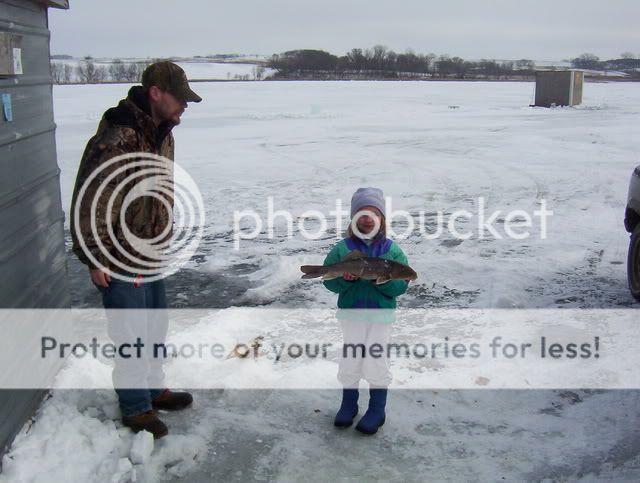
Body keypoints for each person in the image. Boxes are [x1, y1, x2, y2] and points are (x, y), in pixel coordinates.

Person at [69, 61, 202, 439]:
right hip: (118, 255)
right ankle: (135, 407)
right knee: (131, 335)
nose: (185, 106)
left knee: (155, 327)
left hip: (151, 251)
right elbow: (89, 200)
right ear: (156, 92)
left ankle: (152, 388)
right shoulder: (118, 137)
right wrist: (94, 256)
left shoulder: (162, 133)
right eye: (180, 98)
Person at [323, 187, 411, 435]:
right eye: (362, 213)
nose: (367, 218)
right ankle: (348, 405)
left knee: (375, 361)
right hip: (351, 315)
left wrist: (383, 280)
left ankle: (376, 410)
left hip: (381, 318)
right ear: (353, 218)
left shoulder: (392, 251)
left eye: (373, 213)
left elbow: (400, 287)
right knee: (350, 360)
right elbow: (330, 281)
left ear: (382, 219)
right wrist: (347, 280)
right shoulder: (342, 249)